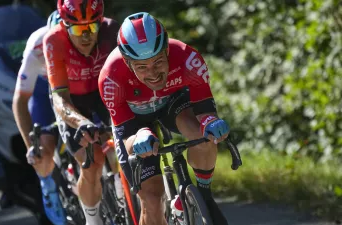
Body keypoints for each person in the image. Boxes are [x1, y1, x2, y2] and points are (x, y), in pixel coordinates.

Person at [98, 12, 230, 225]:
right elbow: (126, 137)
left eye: (158, 62)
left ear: (167, 50)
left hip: (173, 104)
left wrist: (211, 123)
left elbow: (205, 111)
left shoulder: (188, 58)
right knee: (151, 199)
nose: (153, 73)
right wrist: (139, 136)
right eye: (142, 67)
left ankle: (204, 196)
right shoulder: (111, 77)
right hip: (135, 122)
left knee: (201, 134)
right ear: (127, 63)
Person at [42, 0, 121, 224]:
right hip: (71, 99)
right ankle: (93, 219)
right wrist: (81, 122)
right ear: (65, 26)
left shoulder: (112, 31)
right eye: (77, 29)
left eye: (92, 27)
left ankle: (123, 180)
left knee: (127, 140)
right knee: (92, 160)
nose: (86, 36)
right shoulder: (53, 40)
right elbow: (59, 98)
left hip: (103, 90)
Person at [13, 10, 67, 225]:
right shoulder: (36, 46)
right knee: (44, 150)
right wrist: (31, 147)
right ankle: (47, 182)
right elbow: (19, 101)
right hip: (45, 89)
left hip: (75, 85)